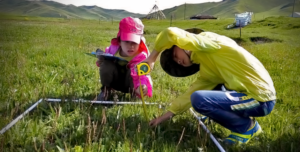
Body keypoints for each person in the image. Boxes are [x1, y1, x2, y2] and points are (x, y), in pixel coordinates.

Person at [144, 27, 276, 145]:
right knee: (204, 94)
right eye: (176, 61)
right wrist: (164, 117)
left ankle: (246, 128)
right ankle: (248, 125)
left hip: (260, 100)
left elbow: (169, 33)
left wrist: (152, 58)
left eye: (174, 54)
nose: (178, 60)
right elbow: (191, 94)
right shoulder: (208, 65)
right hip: (252, 97)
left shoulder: (209, 43)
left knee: (200, 100)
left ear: (182, 44)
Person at [96, 17, 153, 101]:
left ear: (140, 42)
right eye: (126, 41)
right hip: (115, 81)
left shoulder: (142, 56)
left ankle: (135, 94)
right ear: (119, 41)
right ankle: (106, 90)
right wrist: (101, 62)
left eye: (134, 42)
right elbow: (105, 65)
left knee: (135, 70)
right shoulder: (113, 50)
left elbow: (144, 75)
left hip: (132, 84)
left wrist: (142, 86)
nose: (131, 46)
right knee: (107, 64)